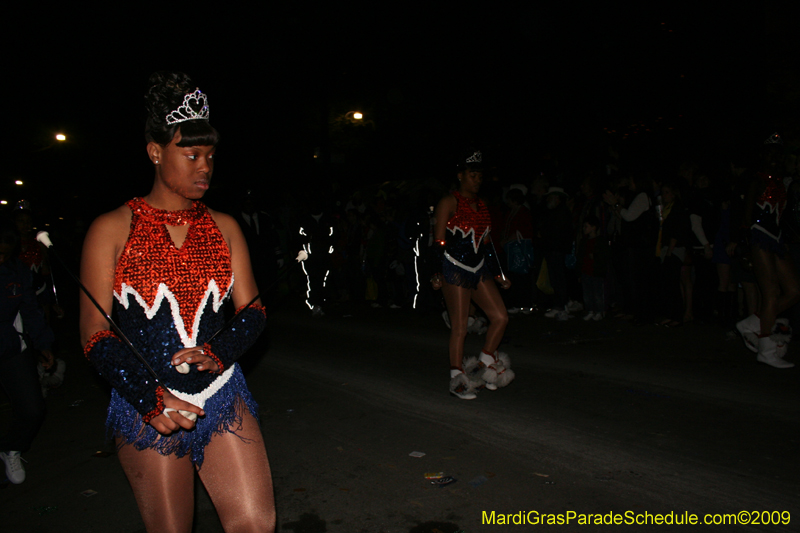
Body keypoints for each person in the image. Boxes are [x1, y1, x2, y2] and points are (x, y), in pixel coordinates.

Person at [79, 72, 275, 531]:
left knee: (256, 523)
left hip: (221, 393)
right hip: (147, 400)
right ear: (155, 151)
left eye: (209, 156)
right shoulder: (110, 228)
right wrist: (149, 397)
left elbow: (254, 312)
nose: (204, 167)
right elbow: (93, 329)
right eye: (191, 155)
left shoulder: (225, 226)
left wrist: (219, 352)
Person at [430, 150, 514, 400]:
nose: (477, 179)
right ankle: (457, 378)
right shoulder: (448, 202)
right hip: (453, 268)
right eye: (472, 174)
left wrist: (499, 274)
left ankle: (486, 361)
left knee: (500, 317)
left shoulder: (483, 205)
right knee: (460, 327)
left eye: (479, 175)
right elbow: (438, 243)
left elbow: (487, 244)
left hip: (479, 268)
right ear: (460, 176)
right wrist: (436, 273)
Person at [736, 135, 800, 368]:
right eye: (770, 154)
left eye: (778, 154)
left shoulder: (783, 181)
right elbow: (745, 216)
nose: (775, 159)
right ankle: (766, 348)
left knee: (794, 290)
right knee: (771, 290)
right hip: (759, 236)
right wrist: (745, 246)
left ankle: (753, 322)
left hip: (777, 239)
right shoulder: (756, 181)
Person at [0, 218, 53, 484]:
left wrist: (44, 344)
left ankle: (11, 448)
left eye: (4, 254)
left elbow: (30, 309)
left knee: (32, 409)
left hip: (11, 348)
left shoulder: (17, 271)